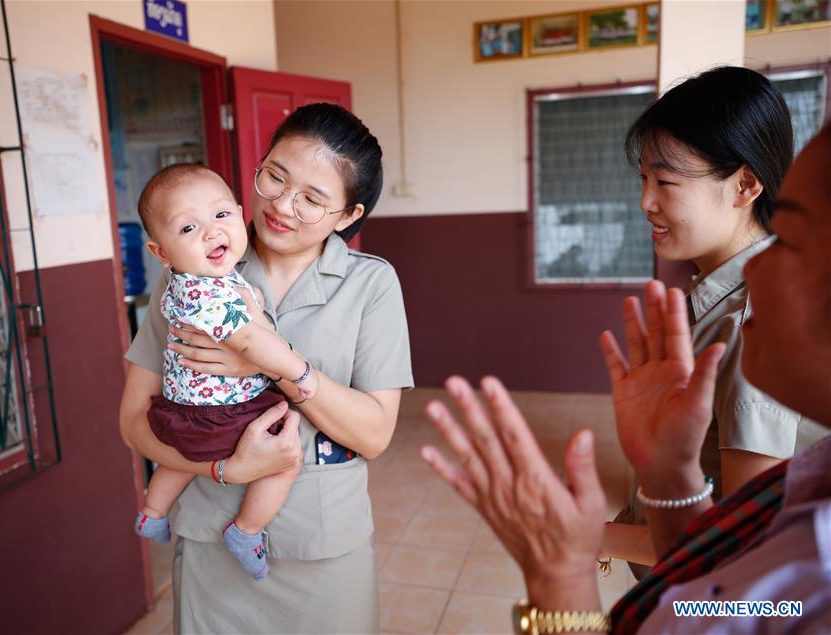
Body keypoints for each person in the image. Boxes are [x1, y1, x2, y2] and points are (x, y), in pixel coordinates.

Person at [420, 125, 831, 633]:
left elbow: (727, 603)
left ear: (746, 187)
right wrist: (669, 475)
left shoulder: (814, 578)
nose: (761, 268)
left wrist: (563, 573)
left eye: (792, 242)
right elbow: (716, 588)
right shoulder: (811, 489)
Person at [119, 103, 413, 633]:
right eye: (274, 176)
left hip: (324, 549)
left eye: (312, 199)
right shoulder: (189, 270)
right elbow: (134, 422)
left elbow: (373, 434)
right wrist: (225, 469)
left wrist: (279, 364)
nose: (281, 204)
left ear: (349, 216)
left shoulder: (372, 285)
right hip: (211, 537)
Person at [603, 66, 824, 573]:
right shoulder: (714, 294)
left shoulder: (754, 322)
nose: (645, 201)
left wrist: (592, 537)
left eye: (665, 181)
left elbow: (746, 544)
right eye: (643, 178)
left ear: (745, 184)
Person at [130, 164, 318, 582]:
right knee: (284, 461)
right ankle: (246, 531)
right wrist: (300, 374)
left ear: (238, 213)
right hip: (225, 414)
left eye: (220, 216)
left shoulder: (187, 280)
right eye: (187, 229)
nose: (211, 233)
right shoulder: (208, 293)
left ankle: (153, 512)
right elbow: (251, 344)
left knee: (182, 456)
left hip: (184, 411)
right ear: (160, 252)